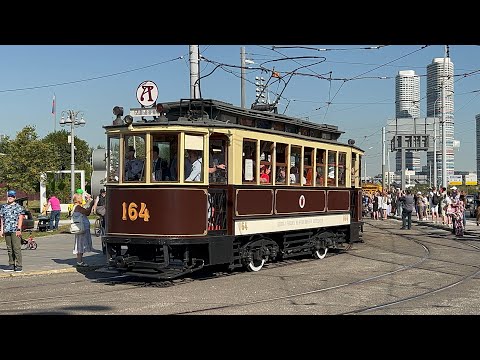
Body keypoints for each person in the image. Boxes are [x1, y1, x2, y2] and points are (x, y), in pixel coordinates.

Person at [0, 190, 24, 272]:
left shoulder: (18, 207)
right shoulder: (3, 207)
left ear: (15, 197)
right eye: (9, 196)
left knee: (16, 248)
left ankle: (19, 265)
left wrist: (19, 229)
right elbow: (2, 219)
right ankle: (11, 264)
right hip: (7, 229)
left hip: (15, 230)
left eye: (12, 196)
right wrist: (2, 229)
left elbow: (20, 218)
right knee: (9, 248)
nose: (10, 197)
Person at [71, 193, 94, 267]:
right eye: (81, 198)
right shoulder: (78, 207)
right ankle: (79, 261)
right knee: (81, 245)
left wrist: (88, 202)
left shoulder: (77, 207)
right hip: (82, 228)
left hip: (80, 228)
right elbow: (87, 212)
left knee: (80, 244)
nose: (82, 199)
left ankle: (80, 260)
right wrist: (91, 205)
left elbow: (84, 209)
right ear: (78, 199)